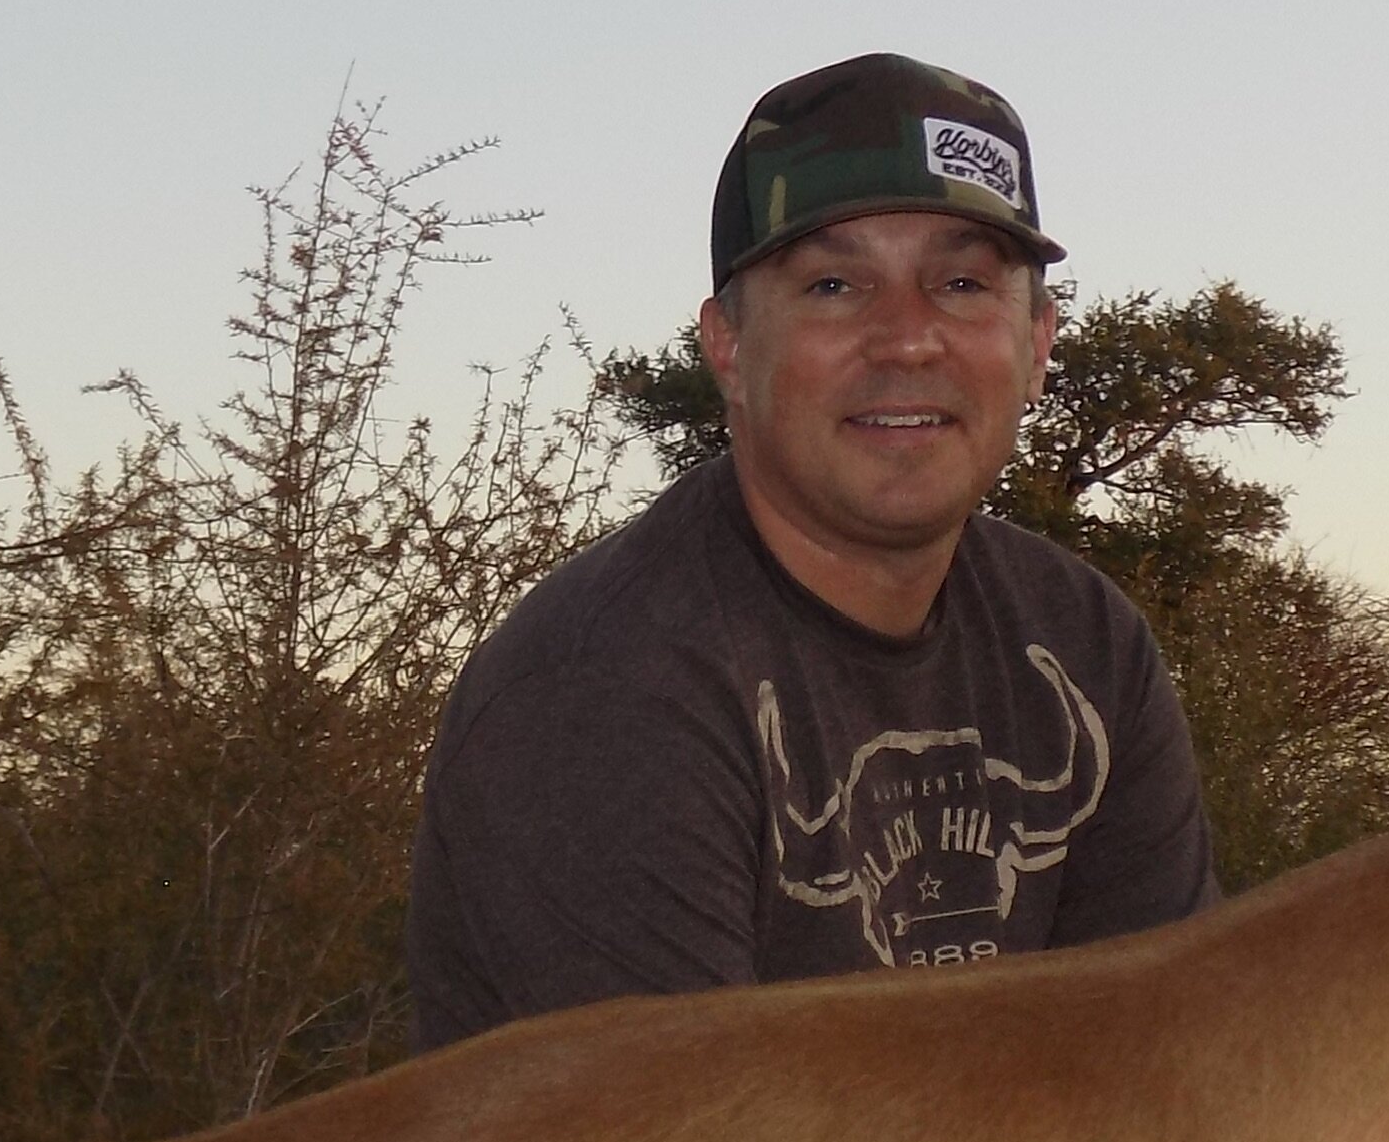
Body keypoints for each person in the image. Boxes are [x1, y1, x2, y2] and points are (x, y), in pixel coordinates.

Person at [407, 51, 1213, 1047]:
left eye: (963, 282)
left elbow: (1176, 1072)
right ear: (730, 348)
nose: (908, 339)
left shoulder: (1086, 646)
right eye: (835, 285)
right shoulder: (603, 688)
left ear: (1039, 342)